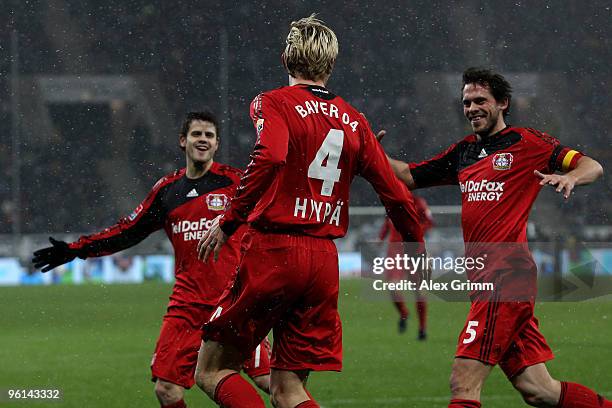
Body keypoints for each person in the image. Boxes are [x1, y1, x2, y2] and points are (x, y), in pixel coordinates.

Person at [193, 15, 425, 408]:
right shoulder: (356, 121)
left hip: (276, 251)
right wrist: (416, 247)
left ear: (285, 58)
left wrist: (229, 220)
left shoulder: (272, 102)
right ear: (331, 66)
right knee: (288, 390)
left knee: (211, 369)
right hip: (323, 262)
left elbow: (270, 155)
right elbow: (398, 195)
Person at [382, 67, 608, 408]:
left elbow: (592, 166)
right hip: (484, 281)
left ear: (502, 103)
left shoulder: (529, 142)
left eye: (479, 100)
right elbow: (407, 176)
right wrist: (366, 150)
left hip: (506, 277)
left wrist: (573, 178)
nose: (471, 108)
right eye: (466, 102)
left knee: (464, 379)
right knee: (539, 390)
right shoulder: (464, 152)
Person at [32, 111, 271, 408]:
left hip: (232, 303)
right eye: (197, 134)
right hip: (187, 306)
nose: (203, 140)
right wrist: (76, 249)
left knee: (270, 381)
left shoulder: (235, 183)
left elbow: (271, 213)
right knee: (166, 389)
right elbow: (127, 231)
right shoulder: (168, 191)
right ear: (183, 141)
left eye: (209, 135)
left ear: (217, 144)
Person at [379, 194, 433, 337]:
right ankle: (404, 312)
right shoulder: (391, 198)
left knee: (419, 291)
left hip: (414, 250)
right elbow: (387, 222)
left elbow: (429, 222)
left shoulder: (419, 203)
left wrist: (414, 232)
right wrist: (381, 237)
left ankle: (422, 329)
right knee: (393, 286)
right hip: (395, 250)